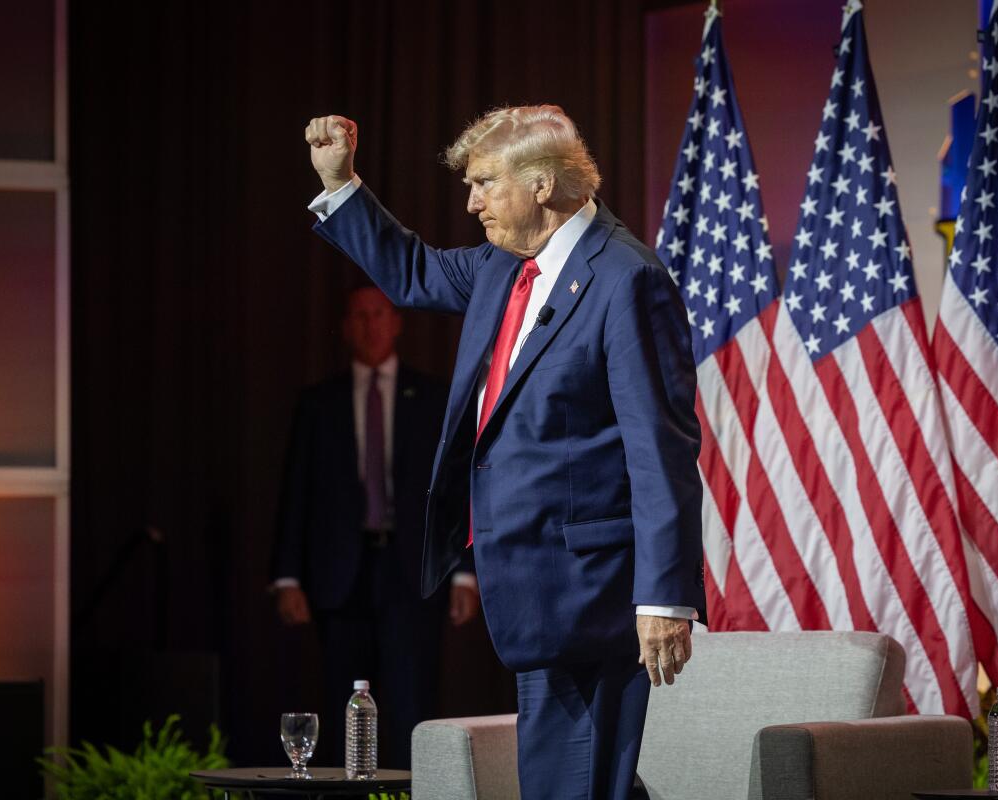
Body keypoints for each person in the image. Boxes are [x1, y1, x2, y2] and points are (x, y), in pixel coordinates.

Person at [303, 106, 705, 800]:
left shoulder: (625, 279)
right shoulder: (501, 267)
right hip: (531, 583)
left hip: (590, 591)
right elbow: (410, 270)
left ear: (543, 185)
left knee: (572, 783)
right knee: (578, 783)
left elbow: (660, 448)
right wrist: (341, 184)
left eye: (486, 183)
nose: (471, 201)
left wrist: (664, 595)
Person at [270, 285, 480, 769]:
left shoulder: (432, 398)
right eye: (359, 316)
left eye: (378, 314)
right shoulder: (319, 402)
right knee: (343, 701)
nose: (370, 324)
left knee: (410, 703)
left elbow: (455, 490)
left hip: (411, 573)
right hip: (340, 574)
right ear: (345, 328)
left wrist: (464, 572)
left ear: (396, 322)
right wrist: (287, 577)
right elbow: (295, 491)